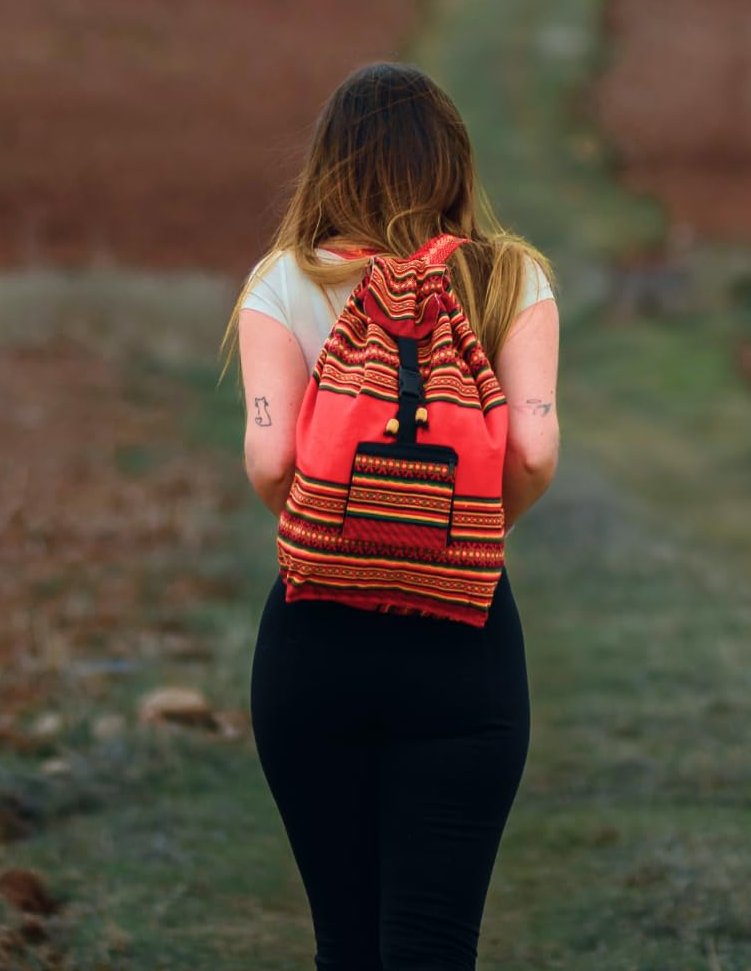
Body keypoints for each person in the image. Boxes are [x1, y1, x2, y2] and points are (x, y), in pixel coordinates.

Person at [224, 61, 562, 970]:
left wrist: (338, 529)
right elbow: (531, 452)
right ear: (453, 162)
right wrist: (458, 533)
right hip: (463, 646)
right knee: (433, 947)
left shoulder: (281, 282)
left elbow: (273, 460)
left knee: (347, 943)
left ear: (329, 166)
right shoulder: (510, 277)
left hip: (313, 647)